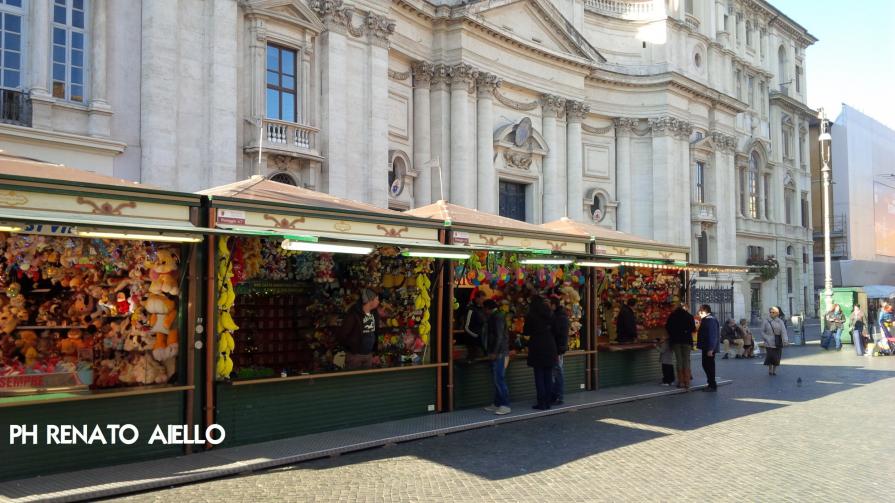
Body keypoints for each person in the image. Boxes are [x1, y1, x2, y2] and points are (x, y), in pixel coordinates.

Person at [525, 295, 556, 410]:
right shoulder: (550, 314)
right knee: (548, 376)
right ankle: (548, 402)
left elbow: (526, 331)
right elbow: (556, 330)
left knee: (539, 376)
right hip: (550, 345)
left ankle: (541, 402)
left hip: (537, 346)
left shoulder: (531, 315)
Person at [337, 288, 381, 370]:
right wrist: (351, 348)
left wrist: (375, 352)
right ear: (370, 300)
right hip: (355, 356)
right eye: (377, 299)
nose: (378, 302)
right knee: (353, 377)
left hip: (369, 355)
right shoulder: (353, 314)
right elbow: (342, 334)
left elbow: (375, 332)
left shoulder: (374, 313)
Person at [483, 300, 511, 415]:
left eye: (485, 308)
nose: (484, 311)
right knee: (497, 379)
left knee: (499, 378)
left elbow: (499, 336)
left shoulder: (497, 317)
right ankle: (497, 403)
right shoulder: (497, 316)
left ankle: (505, 405)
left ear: (488, 308)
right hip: (499, 352)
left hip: (500, 353)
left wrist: (494, 352)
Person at [665, 301, 696, 389]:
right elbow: (693, 329)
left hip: (676, 341)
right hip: (687, 341)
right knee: (686, 360)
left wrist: (674, 334)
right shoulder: (689, 316)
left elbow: (668, 327)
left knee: (679, 361)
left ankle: (681, 382)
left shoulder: (672, 316)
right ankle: (687, 382)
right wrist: (686, 331)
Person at [549, 296, 570, 405]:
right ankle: (557, 395)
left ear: (553, 305)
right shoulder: (561, 315)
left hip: (557, 349)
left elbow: (556, 333)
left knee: (557, 372)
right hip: (559, 348)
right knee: (557, 372)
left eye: (550, 305)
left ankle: (558, 396)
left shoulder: (558, 317)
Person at [696, 304, 720, 392]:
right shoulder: (707, 319)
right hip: (706, 347)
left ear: (704, 311)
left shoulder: (710, 320)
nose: (698, 312)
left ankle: (712, 385)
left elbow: (712, 335)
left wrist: (710, 349)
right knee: (706, 365)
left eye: (700, 311)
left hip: (709, 348)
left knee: (709, 366)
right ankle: (711, 383)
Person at [762, 306, 788, 375]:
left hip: (778, 341)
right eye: (770, 312)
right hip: (769, 342)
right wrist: (766, 338)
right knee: (770, 356)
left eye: (773, 312)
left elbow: (783, 332)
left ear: (777, 313)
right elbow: (762, 331)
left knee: (776, 356)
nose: (771, 313)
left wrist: (785, 340)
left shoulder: (780, 322)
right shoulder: (766, 321)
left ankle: (774, 370)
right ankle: (770, 369)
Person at [464, 291, 487, 358]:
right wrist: (476, 335)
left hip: (482, 340)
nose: (483, 301)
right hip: (473, 341)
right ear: (477, 298)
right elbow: (466, 327)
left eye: (484, 299)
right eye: (482, 299)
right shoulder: (470, 309)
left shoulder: (483, 309)